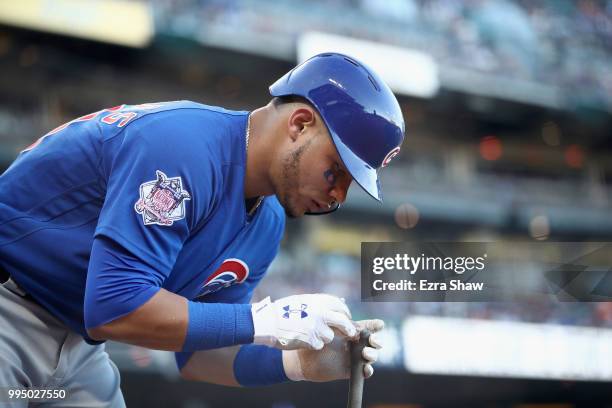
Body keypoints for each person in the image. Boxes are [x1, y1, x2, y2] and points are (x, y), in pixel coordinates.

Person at [0, 53, 405, 407]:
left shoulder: (267, 223)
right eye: (336, 170)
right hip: (10, 308)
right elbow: (113, 306)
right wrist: (262, 323)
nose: (338, 196)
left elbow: (195, 356)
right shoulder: (185, 146)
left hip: (77, 347)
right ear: (299, 124)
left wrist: (295, 363)